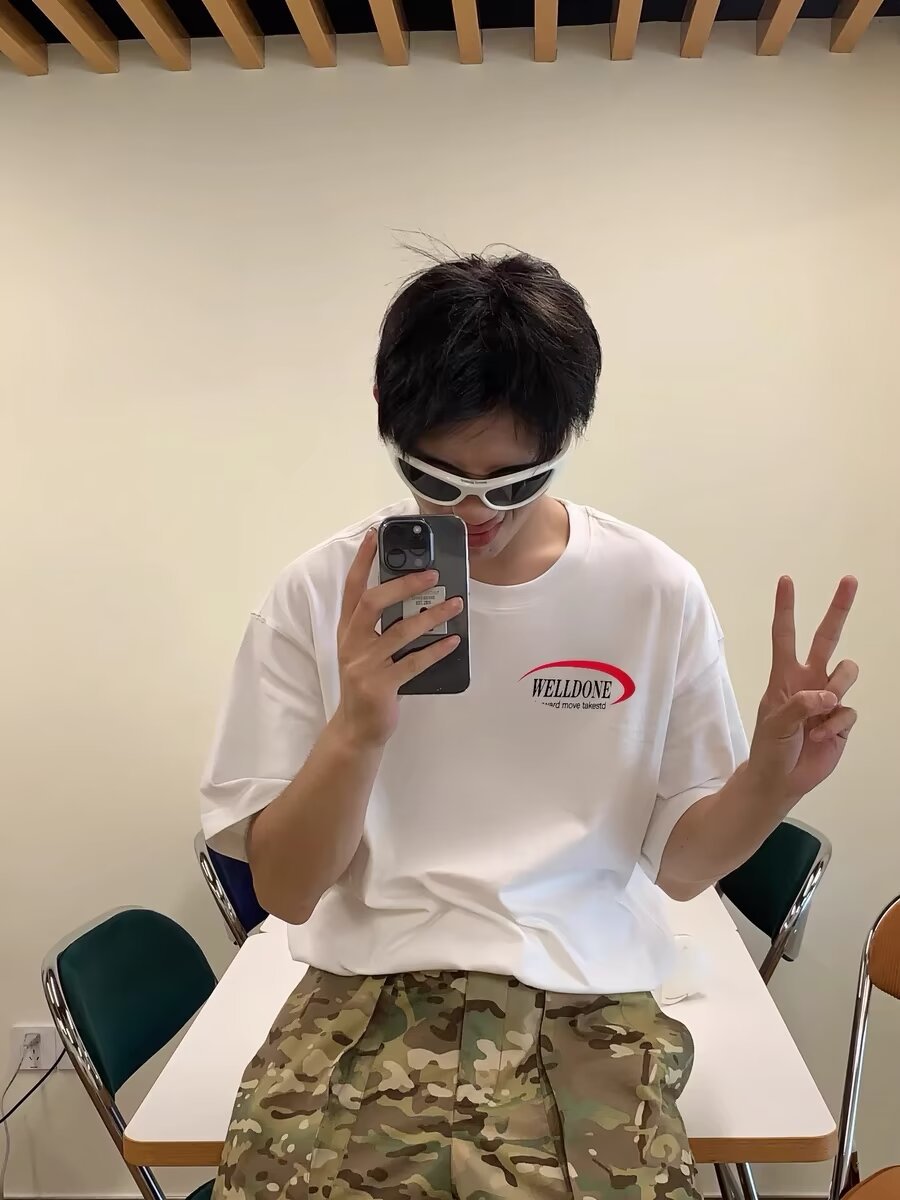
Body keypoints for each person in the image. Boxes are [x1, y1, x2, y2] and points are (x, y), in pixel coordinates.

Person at [201, 250, 859, 1200]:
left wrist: (768, 779)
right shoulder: (316, 596)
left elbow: (679, 868)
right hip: (361, 999)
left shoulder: (650, 589)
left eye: (513, 483)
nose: (473, 511)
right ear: (386, 413)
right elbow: (289, 893)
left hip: (591, 1003)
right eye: (435, 477)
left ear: (568, 435)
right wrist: (358, 730)